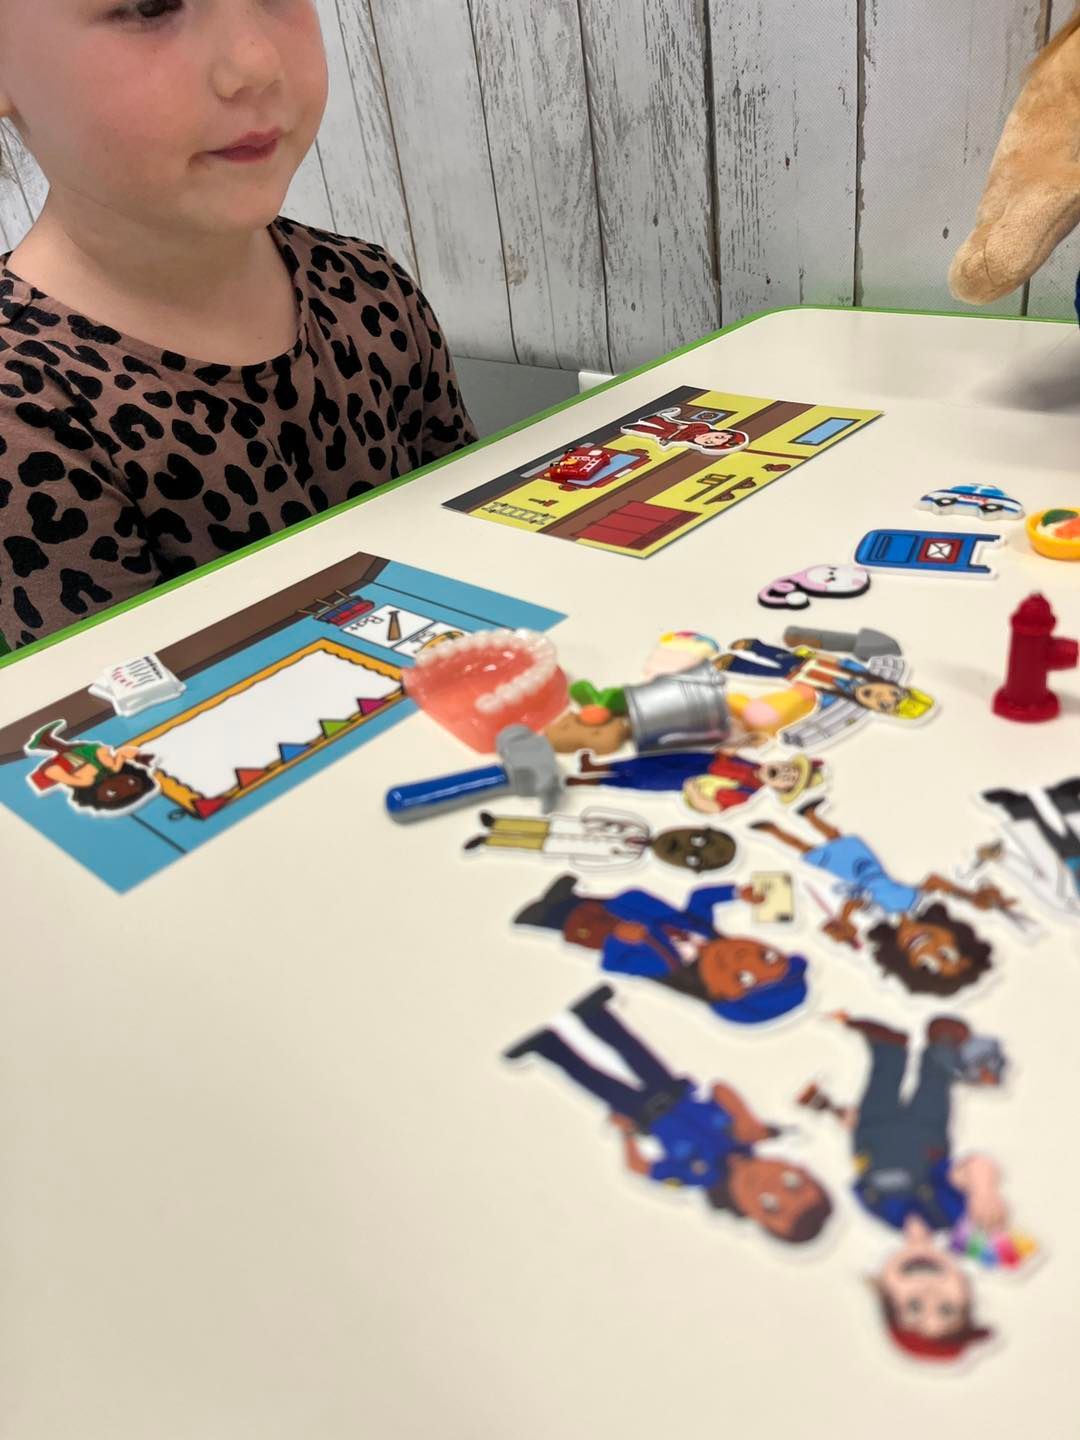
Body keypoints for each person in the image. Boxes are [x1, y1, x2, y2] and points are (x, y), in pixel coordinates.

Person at [0, 2, 476, 647]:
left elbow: (479, 542)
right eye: (149, 7)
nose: (255, 63)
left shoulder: (368, 285)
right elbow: (120, 725)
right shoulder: (21, 413)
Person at [505, 985, 832, 1244]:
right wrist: (746, 1119)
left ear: (749, 1215)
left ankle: (548, 1046)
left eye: (770, 1207)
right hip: (672, 1090)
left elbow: (640, 1167)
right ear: (795, 1167)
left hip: (641, 1115)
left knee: (591, 1078)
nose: (769, 1186)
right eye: (791, 1182)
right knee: (633, 1050)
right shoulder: (745, 1134)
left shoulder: (696, 1177)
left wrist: (627, 1133)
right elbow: (719, 1089)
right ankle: (595, 1016)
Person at [799, 1013, 1006, 1362]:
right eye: (946, 1307)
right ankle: (939, 1049)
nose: (927, 1293)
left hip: (872, 1132)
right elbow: (975, 1166)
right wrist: (984, 1191)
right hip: (926, 1135)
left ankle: (888, 1049)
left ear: (885, 1290)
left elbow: (863, 1169)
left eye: (912, 1306)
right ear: (964, 1289)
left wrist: (843, 1119)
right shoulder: (949, 1215)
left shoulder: (879, 1212)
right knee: (932, 1087)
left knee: (880, 1085)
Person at [751, 800, 1011, 995]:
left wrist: (845, 922)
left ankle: (775, 831)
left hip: (852, 878)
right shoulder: (914, 902)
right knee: (837, 839)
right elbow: (934, 881)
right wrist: (970, 896)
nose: (929, 951)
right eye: (947, 954)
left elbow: (853, 903)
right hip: (871, 866)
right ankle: (809, 815)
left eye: (928, 965)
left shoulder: (878, 915)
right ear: (956, 936)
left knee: (812, 851)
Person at [515, 874, 809, 1025]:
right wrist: (736, 893)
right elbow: (700, 899)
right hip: (631, 906)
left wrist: (620, 938)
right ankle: (566, 899)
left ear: (717, 993)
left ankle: (545, 917)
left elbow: (613, 965)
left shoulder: (663, 965)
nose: (742, 958)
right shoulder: (705, 933)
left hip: (608, 930)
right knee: (591, 904)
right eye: (766, 956)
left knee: (578, 922)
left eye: (743, 978)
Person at [567, 747, 824, 817]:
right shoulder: (752, 764)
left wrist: (694, 792)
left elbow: (715, 808)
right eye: (787, 769)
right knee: (646, 762)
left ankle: (590, 781)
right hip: (699, 759)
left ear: (779, 788)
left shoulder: (746, 793)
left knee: (643, 779)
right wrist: (737, 746)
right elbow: (725, 754)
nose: (784, 773)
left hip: (690, 780)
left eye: (787, 779)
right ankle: (596, 766)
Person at [716, 639, 933, 721]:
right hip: (809, 663)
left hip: (796, 677)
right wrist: (812, 654)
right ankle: (754, 646)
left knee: (765, 673)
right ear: (893, 684)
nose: (882, 695)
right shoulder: (857, 671)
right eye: (894, 693)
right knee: (777, 655)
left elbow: (820, 705)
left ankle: (733, 663)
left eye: (885, 704)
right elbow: (838, 661)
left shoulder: (839, 700)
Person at [463, 809, 737, 873]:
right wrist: (591, 819)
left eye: (693, 858)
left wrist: (578, 860)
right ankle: (498, 824)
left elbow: (598, 864)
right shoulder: (639, 825)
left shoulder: (630, 858)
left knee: (538, 844)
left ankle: (491, 841)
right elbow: (606, 816)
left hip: (575, 846)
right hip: (579, 827)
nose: (684, 847)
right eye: (698, 839)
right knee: (544, 827)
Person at [24, 718, 158, 814]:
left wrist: (65, 774)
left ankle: (45, 740)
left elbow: (62, 777)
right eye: (132, 782)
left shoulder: (86, 781)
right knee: (76, 750)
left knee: (70, 756)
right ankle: (46, 739)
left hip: (69, 766)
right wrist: (138, 757)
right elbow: (121, 754)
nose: (122, 784)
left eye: (112, 793)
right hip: (86, 756)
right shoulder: (113, 769)